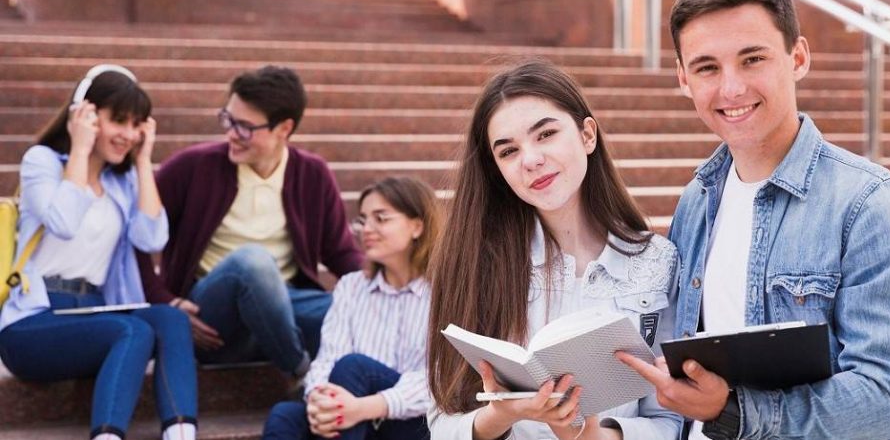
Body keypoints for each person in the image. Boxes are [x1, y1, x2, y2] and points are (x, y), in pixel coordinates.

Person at [616, 0, 890, 439]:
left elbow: (884, 401)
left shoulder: (870, 203)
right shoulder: (696, 202)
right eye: (708, 67)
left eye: (752, 59)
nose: (732, 88)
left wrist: (734, 412)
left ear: (797, 57)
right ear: (684, 78)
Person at [427, 60, 682, 440]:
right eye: (508, 151)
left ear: (587, 135)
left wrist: (596, 435)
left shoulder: (656, 261)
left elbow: (671, 419)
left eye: (545, 134)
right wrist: (499, 417)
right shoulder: (473, 263)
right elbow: (441, 423)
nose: (530, 160)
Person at [0, 64, 197, 440]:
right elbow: (64, 221)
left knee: (170, 321)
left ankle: (182, 434)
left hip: (94, 312)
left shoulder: (120, 183)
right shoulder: (42, 162)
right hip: (32, 322)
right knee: (131, 330)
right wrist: (80, 148)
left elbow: (153, 238)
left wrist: (142, 162)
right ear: (85, 114)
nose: (128, 133)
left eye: (136, 123)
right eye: (118, 120)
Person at [137, 65, 364, 380]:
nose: (231, 133)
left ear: (283, 129)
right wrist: (167, 303)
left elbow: (340, 253)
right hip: (212, 318)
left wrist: (385, 287)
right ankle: (300, 371)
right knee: (252, 262)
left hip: (282, 310)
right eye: (228, 119)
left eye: (244, 126)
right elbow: (135, 241)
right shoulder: (191, 168)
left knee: (349, 311)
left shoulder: (312, 174)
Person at [263, 176, 439, 440]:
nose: (366, 228)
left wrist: (365, 407)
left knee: (355, 367)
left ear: (417, 226)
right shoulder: (351, 286)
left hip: (415, 423)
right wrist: (319, 401)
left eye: (381, 218)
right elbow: (327, 359)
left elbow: (442, 383)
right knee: (284, 415)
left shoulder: (446, 291)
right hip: (351, 417)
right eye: (363, 219)